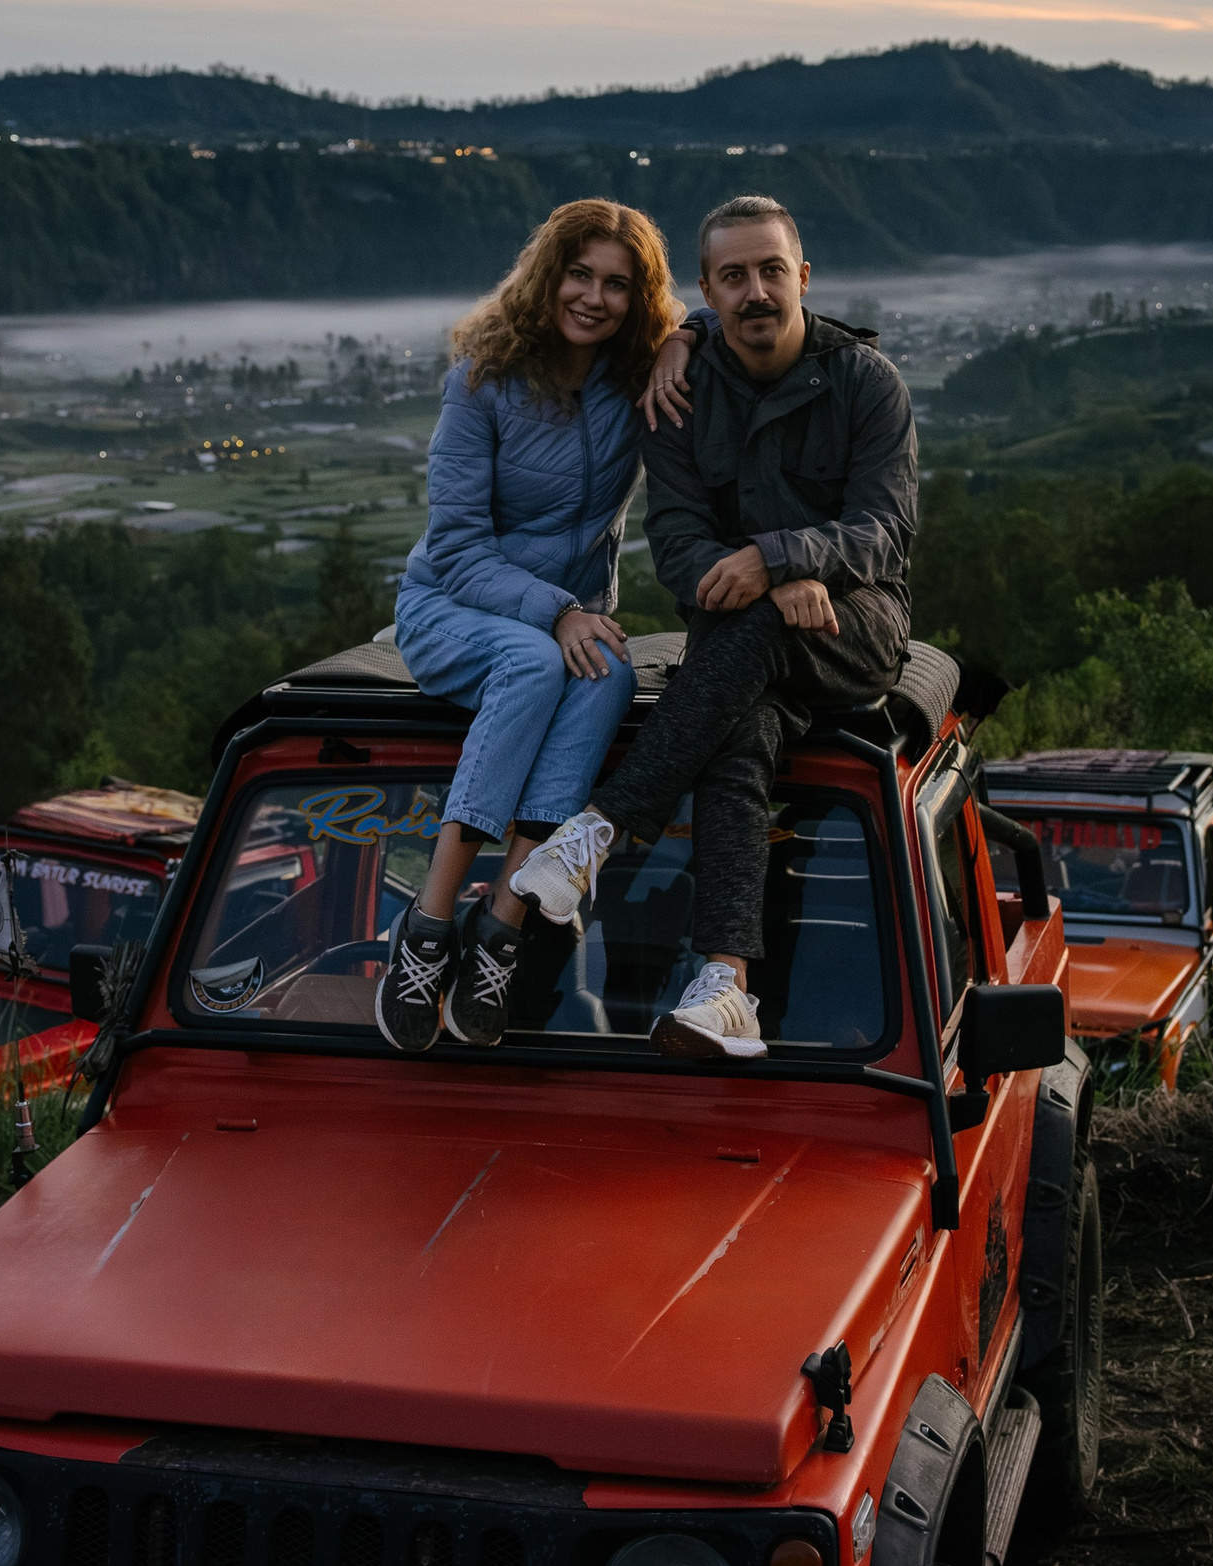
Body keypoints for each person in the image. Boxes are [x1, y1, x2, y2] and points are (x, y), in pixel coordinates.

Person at [512, 193, 919, 1061]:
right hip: (738, 639)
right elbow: (677, 544)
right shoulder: (679, 391)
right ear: (708, 290)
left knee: (757, 632)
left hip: (856, 627)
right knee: (741, 736)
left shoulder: (865, 382)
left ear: (803, 276)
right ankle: (726, 983)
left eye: (772, 270)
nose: (756, 290)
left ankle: (600, 829)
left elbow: (885, 532)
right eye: (733, 276)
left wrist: (778, 558)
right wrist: (762, 579)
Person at [377, 200, 692, 1053]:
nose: (594, 297)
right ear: (547, 275)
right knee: (534, 663)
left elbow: (710, 328)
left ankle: (502, 921)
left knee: (611, 672)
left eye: (617, 284)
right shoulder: (482, 379)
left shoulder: (633, 378)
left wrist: (683, 339)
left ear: (637, 299)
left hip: (566, 621)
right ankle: (429, 923)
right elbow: (457, 548)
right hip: (452, 605)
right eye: (578, 274)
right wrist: (556, 611)